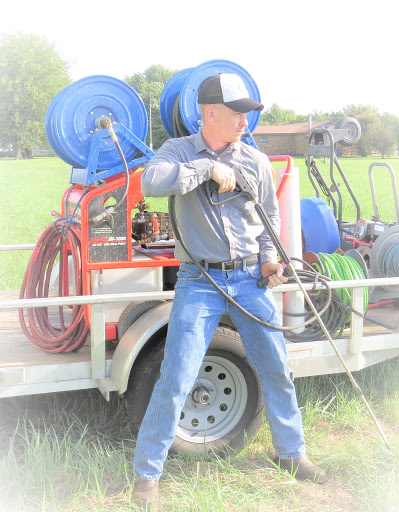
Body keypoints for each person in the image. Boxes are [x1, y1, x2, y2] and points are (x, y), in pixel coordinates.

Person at [132, 73, 327, 508]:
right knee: (177, 376)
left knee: (276, 366)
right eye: (238, 112)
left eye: (248, 113)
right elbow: (150, 182)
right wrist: (206, 167)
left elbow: (266, 222)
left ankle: (292, 453)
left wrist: (269, 260)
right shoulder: (178, 151)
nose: (245, 121)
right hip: (199, 283)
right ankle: (147, 475)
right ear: (211, 113)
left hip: (249, 280)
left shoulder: (255, 160)